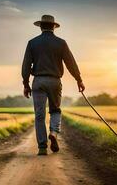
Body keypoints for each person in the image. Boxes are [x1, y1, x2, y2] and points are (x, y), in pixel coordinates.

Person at [21, 15, 85, 155]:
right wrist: (78, 79)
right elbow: (71, 63)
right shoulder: (61, 43)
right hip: (55, 81)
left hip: (38, 81)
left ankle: (42, 148)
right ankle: (54, 133)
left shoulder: (32, 43)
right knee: (55, 110)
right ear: (53, 27)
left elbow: (26, 65)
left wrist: (26, 84)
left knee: (39, 115)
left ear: (41, 26)